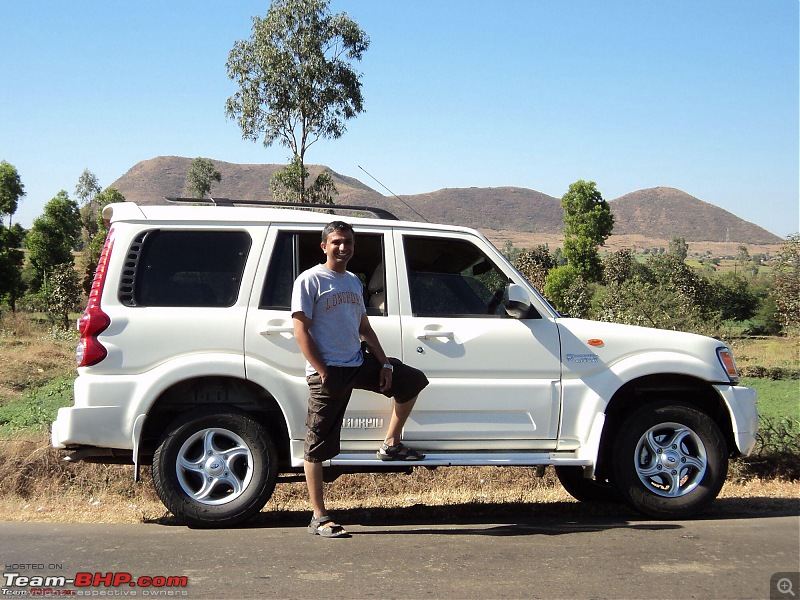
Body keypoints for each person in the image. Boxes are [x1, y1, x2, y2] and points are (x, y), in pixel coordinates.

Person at [291, 221, 428, 538]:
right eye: (337, 242)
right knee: (316, 445)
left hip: (357, 361)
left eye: (348, 242)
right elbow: (300, 329)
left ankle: (391, 443)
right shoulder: (310, 280)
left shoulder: (353, 282)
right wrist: (323, 371)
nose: (343, 247)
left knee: (412, 381)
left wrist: (384, 363)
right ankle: (319, 517)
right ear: (324, 246)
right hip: (329, 371)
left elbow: (363, 327)